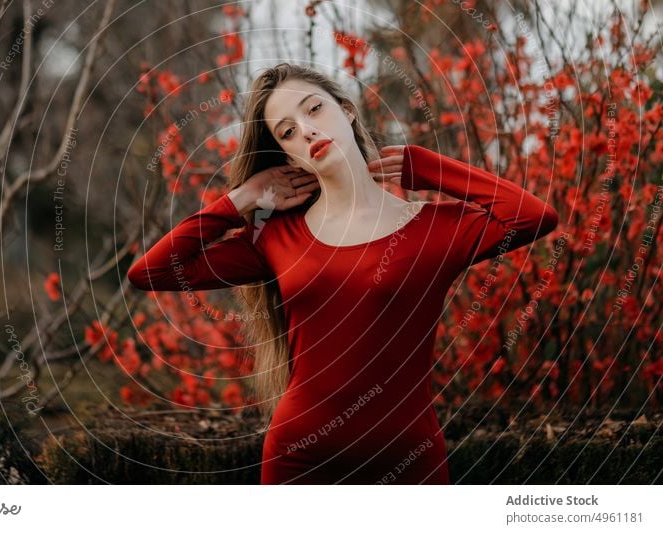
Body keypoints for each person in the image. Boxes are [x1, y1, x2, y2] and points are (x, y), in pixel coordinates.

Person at [127, 62, 559, 484]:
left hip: (409, 459)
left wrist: (430, 168)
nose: (308, 130)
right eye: (288, 132)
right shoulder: (277, 238)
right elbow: (152, 271)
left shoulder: (432, 228)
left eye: (313, 110)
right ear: (286, 155)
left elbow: (533, 217)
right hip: (300, 461)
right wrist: (241, 198)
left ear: (346, 110)